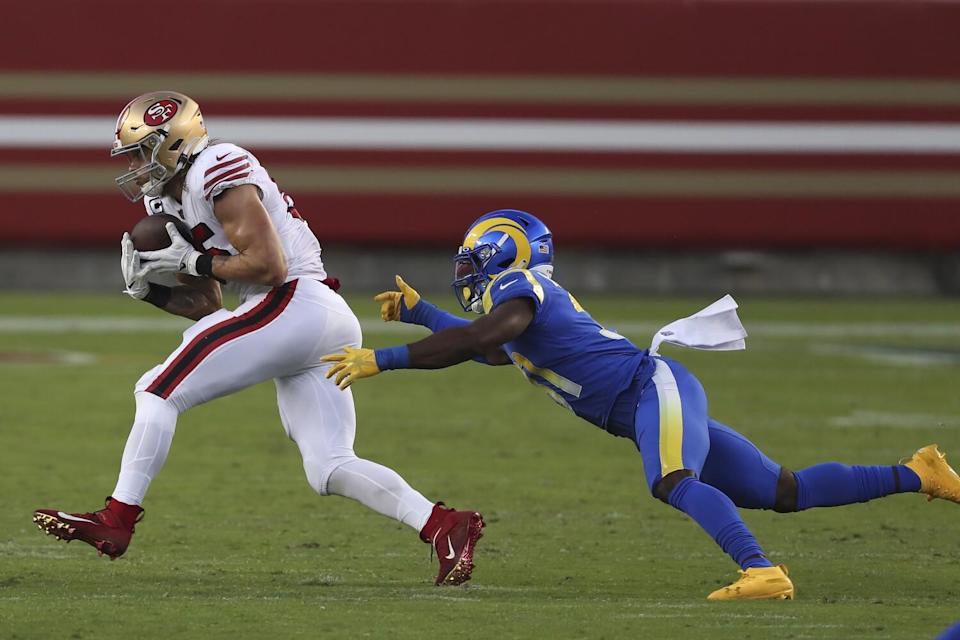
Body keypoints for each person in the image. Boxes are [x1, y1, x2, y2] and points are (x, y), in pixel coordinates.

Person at [321, 208, 960, 600]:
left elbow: (485, 338)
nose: (465, 271)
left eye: (471, 259)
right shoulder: (518, 311)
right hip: (653, 400)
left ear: (505, 254)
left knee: (673, 480)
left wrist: (386, 357)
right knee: (782, 489)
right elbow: (493, 349)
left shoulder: (523, 288)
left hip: (653, 391)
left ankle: (762, 570)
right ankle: (920, 473)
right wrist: (419, 313)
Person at [32, 91, 484, 587]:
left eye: (143, 151)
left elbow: (270, 267)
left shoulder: (216, 165)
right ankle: (444, 525)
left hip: (295, 301)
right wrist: (154, 293)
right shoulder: (164, 197)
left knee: (157, 390)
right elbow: (210, 309)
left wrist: (191, 261)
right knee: (328, 466)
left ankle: (116, 519)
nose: (137, 166)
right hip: (302, 319)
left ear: (174, 141)